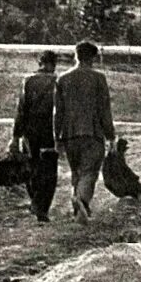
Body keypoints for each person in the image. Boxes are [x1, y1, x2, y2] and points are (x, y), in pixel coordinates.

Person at [54, 40, 116, 224]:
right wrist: (111, 136)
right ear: (93, 58)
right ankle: (81, 201)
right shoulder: (98, 79)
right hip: (93, 132)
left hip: (70, 134)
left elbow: (58, 112)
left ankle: (77, 204)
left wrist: (57, 137)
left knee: (76, 171)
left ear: (76, 56)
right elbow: (105, 110)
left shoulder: (63, 79)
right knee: (89, 172)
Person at [10, 50, 59, 221]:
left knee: (32, 167)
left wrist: (15, 136)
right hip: (50, 131)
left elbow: (21, 111)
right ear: (54, 64)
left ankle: (35, 202)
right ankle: (41, 207)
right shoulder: (58, 82)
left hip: (30, 132)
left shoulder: (28, 81)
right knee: (50, 170)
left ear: (40, 63)